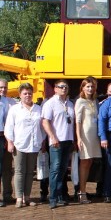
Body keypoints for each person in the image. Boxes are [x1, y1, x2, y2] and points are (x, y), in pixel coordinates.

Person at [4, 83, 45, 208]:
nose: (28, 95)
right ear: (20, 95)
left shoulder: (38, 109)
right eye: (25, 93)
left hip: (34, 144)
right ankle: (18, 197)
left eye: (29, 93)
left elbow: (42, 127)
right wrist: (10, 142)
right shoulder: (15, 109)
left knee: (29, 172)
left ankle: (27, 197)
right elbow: (9, 127)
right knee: (19, 171)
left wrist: (41, 141)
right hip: (19, 144)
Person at [41, 80, 75, 209]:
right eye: (61, 87)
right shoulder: (50, 103)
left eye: (66, 87)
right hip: (56, 141)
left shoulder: (70, 104)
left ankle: (61, 195)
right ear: (55, 89)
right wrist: (53, 137)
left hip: (68, 140)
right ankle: (53, 197)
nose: (64, 89)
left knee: (62, 170)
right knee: (55, 169)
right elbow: (45, 122)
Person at [74, 77, 101, 204]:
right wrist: (79, 137)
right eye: (88, 86)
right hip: (85, 136)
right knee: (84, 162)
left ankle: (83, 189)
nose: (90, 89)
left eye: (92, 86)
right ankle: (82, 192)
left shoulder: (95, 101)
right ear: (83, 88)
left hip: (94, 136)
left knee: (90, 161)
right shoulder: (80, 101)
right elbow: (78, 121)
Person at [0, 78, 16, 207]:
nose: (3, 90)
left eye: (5, 87)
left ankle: (7, 194)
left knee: (7, 168)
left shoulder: (12, 102)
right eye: (0, 87)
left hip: (8, 138)